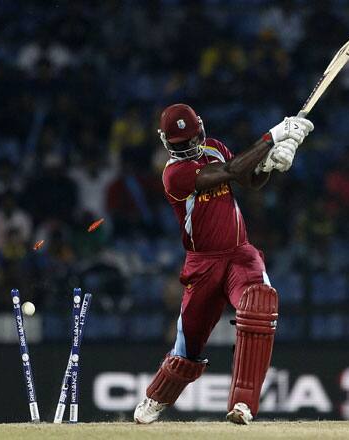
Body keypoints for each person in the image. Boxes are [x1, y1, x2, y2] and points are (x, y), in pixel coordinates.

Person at [133, 104, 313, 425]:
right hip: (203, 265)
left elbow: (247, 179)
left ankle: (243, 404)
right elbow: (229, 172)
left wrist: (271, 164)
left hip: (240, 254)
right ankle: (158, 395)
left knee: (259, 304)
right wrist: (271, 138)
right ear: (167, 143)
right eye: (180, 144)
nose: (188, 148)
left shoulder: (214, 147)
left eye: (190, 140)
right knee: (187, 349)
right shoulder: (174, 175)